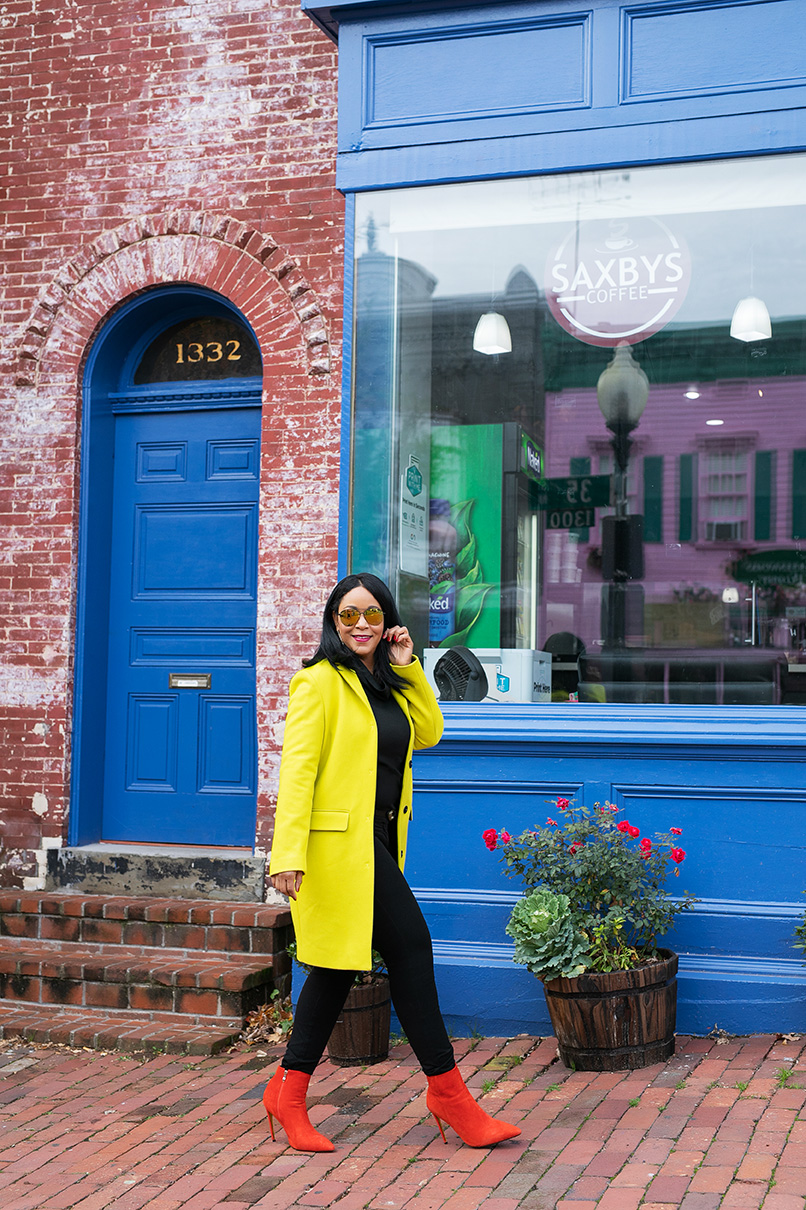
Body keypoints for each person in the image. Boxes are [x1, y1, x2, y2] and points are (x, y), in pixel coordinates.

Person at [264, 573, 521, 1152]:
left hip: (378, 844)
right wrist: (288, 855)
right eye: (350, 614)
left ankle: (287, 1089)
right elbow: (297, 773)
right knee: (411, 945)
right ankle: (449, 1095)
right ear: (334, 620)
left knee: (333, 971)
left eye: (373, 615)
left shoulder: (388, 681)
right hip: (334, 850)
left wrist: (407, 665)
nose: (362, 624)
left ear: (387, 623)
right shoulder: (318, 684)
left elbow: (430, 731)